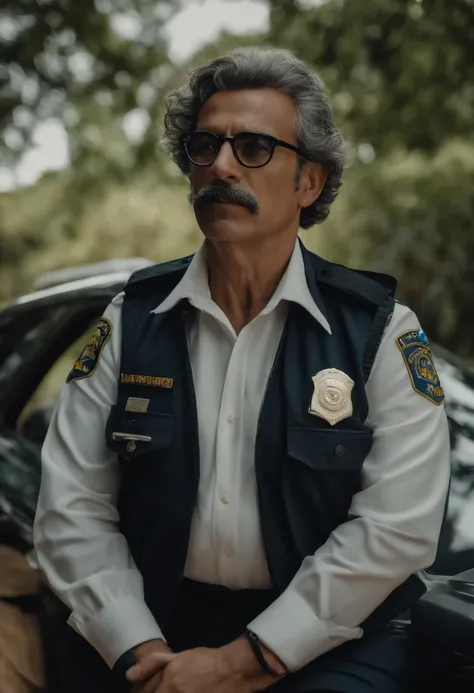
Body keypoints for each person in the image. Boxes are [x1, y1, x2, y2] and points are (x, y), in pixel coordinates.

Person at [33, 47, 451, 693]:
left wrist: (244, 660)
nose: (220, 164)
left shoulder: (381, 332)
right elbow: (72, 508)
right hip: (153, 633)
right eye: (204, 145)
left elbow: (393, 531)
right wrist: (141, 648)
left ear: (308, 181)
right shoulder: (131, 321)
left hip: (331, 645)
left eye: (254, 147)